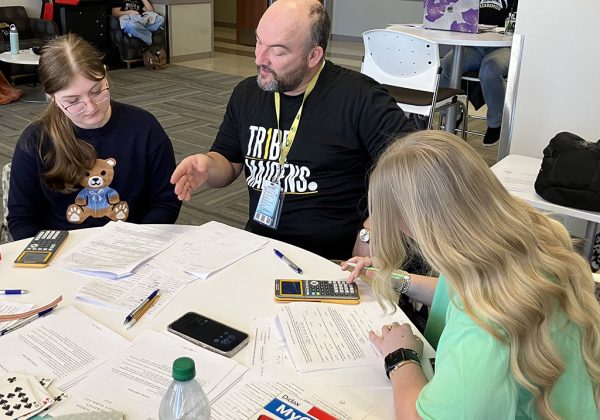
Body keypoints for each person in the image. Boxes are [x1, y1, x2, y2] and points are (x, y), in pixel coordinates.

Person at [343, 131, 600, 418]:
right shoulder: (526, 236)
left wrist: (400, 356)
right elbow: (455, 292)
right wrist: (397, 279)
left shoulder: (486, 328)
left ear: (409, 225)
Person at [171, 0, 413, 260]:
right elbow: (229, 162)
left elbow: (416, 173)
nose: (259, 58)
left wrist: (370, 231)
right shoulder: (246, 94)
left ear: (313, 56)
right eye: (258, 42)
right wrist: (208, 166)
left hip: (335, 258)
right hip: (261, 247)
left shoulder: (361, 99)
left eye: (277, 51)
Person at [7, 34, 181, 240]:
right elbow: (22, 221)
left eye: (97, 91)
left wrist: (137, 243)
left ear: (105, 75)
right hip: (62, 251)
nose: (90, 107)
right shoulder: (36, 140)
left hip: (135, 243)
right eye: (73, 100)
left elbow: (166, 201)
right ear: (51, 97)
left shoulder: (144, 127)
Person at [440, 0, 518, 146]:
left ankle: (496, 123)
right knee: (446, 66)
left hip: (505, 46)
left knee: (490, 68)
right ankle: (452, 115)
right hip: (475, 44)